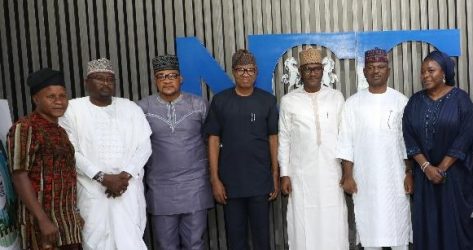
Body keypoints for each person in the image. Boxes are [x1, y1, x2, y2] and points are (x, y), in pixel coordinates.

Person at [59, 58, 152, 250]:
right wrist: (102, 177)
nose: (105, 83)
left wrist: (123, 176)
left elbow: (145, 147)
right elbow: (70, 151)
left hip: (127, 189)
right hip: (92, 190)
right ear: (87, 83)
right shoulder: (72, 110)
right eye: (99, 78)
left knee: (130, 240)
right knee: (95, 241)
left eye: (110, 79)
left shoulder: (130, 108)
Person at [337, 48, 412, 250]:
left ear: (388, 71)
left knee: (398, 232)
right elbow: (345, 142)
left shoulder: (401, 102)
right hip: (365, 178)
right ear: (364, 72)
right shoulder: (352, 104)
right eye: (370, 67)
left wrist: (409, 173)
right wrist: (348, 175)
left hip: (395, 178)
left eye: (380, 67)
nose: (375, 71)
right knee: (369, 234)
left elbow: (408, 142)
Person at [204, 49, 279, 250]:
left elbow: (273, 138)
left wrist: (274, 174)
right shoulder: (220, 101)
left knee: (262, 238)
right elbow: (213, 139)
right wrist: (215, 179)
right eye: (241, 70)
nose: (246, 74)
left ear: (256, 73)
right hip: (230, 184)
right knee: (236, 240)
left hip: (259, 182)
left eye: (250, 70)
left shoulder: (267, 101)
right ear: (233, 72)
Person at [137, 55, 213, 249]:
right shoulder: (142, 108)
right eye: (161, 76)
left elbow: (211, 141)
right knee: (166, 245)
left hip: (195, 185)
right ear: (155, 81)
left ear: (181, 79)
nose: (167, 80)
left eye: (172, 75)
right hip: (160, 188)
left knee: (195, 243)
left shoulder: (198, 105)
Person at [278, 47, 348, 249]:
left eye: (316, 69)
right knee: (303, 220)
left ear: (322, 70)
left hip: (331, 173)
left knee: (332, 219)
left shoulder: (336, 97)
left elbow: (345, 136)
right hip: (301, 175)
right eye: (307, 69)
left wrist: (347, 171)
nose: (312, 73)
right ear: (300, 72)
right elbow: (284, 139)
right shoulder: (289, 101)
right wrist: (284, 174)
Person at [402, 50, 473, 250]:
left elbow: (467, 135)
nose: (425, 75)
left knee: (456, 228)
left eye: (431, 70)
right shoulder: (414, 102)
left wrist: (441, 168)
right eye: (423, 71)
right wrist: (426, 167)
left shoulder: (461, 99)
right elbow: (408, 135)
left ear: (444, 72)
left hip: (455, 178)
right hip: (425, 180)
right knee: (427, 227)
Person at [7, 68, 82, 250]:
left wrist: (74, 214)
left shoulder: (60, 131)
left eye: (62, 96)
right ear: (36, 99)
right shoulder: (25, 127)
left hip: (67, 223)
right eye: (51, 97)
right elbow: (19, 175)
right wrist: (42, 220)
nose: (59, 102)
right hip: (41, 225)